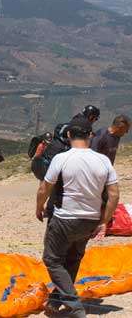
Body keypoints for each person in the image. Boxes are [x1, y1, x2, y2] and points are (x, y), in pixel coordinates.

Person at [36, 116, 120, 317]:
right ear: (90, 135)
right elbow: (114, 195)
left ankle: (74, 306)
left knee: (52, 260)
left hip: (64, 219)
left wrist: (39, 207)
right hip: (89, 220)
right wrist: (104, 221)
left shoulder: (62, 158)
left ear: (68, 134)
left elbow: (44, 188)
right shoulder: (103, 160)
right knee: (73, 259)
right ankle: (56, 301)